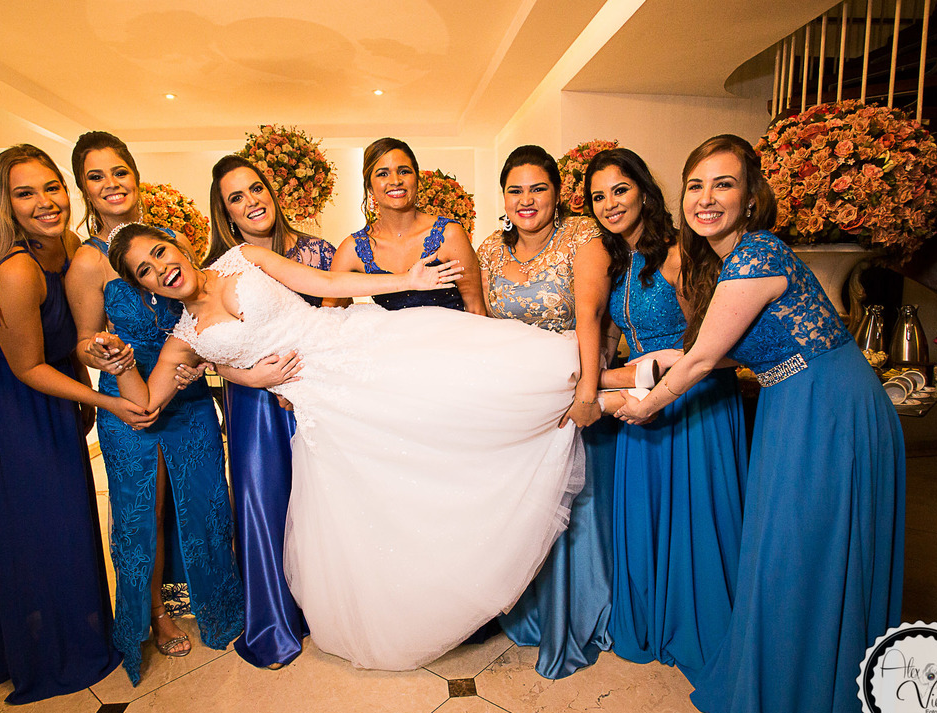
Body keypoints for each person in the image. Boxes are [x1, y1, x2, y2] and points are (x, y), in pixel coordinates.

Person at [105, 222, 584, 671]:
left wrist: (406, 279)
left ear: (179, 246)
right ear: (144, 287)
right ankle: (422, 603)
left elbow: (327, 283)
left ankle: (601, 389)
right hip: (325, 406)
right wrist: (125, 365)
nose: (161, 268)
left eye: (160, 252)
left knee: (462, 392)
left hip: (355, 345)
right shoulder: (184, 339)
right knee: (397, 489)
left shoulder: (244, 258)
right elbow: (144, 405)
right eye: (145, 270)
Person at [615, 135, 904, 713]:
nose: (706, 198)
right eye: (695, 185)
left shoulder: (758, 253)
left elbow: (698, 358)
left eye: (723, 184)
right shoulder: (728, 262)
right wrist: (641, 369)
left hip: (827, 410)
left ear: (751, 197)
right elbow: (711, 349)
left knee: (804, 564)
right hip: (791, 403)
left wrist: (646, 405)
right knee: (787, 562)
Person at [0, 144, 143, 703]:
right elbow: (27, 366)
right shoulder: (15, 268)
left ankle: (80, 636)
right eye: (25, 193)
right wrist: (104, 401)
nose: (45, 202)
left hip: (51, 390)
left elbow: (68, 338)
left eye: (52, 187)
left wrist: (85, 378)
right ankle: (46, 656)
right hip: (4, 402)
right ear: (5, 205)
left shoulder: (70, 249)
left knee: (69, 517)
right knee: (34, 526)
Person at [65, 132, 242, 685]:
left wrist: (204, 361)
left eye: (119, 171)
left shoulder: (170, 240)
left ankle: (219, 603)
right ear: (85, 190)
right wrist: (102, 352)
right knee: (143, 514)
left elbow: (199, 310)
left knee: (207, 501)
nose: (111, 184)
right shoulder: (87, 262)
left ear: (135, 176)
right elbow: (82, 340)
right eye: (96, 177)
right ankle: (156, 617)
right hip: (130, 400)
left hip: (187, 395)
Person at [585, 147, 747, 682]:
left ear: (645, 192)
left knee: (695, 519)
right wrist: (591, 374)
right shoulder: (615, 261)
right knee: (646, 515)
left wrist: (638, 383)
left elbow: (710, 346)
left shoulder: (681, 254)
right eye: (599, 197)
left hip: (692, 401)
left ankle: (699, 622)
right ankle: (651, 616)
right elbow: (612, 334)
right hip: (642, 400)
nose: (610, 204)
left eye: (620, 190)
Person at [476, 144, 615, 679]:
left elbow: (591, 315)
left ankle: (575, 613)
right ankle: (526, 610)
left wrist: (587, 392)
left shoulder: (582, 236)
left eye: (538, 188)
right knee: (520, 506)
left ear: (558, 194)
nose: (526, 200)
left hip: (568, 392)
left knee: (570, 505)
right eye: (515, 190)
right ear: (503, 197)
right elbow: (482, 326)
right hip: (514, 401)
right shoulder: (490, 249)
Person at [203, 154, 336, 669]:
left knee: (325, 498)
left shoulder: (317, 250)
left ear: (272, 191)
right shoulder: (218, 269)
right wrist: (253, 377)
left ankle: (329, 610)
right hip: (255, 402)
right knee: (265, 501)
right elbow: (202, 346)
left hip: (315, 388)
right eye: (236, 197)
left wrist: (306, 378)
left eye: (256, 188)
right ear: (226, 213)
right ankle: (274, 621)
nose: (251, 201)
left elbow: (336, 318)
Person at [325, 137, 487, 314]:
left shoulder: (450, 234)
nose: (395, 181)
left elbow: (475, 308)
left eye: (404, 171)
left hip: (452, 332)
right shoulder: (353, 248)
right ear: (369, 186)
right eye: (383, 174)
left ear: (416, 179)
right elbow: (329, 314)